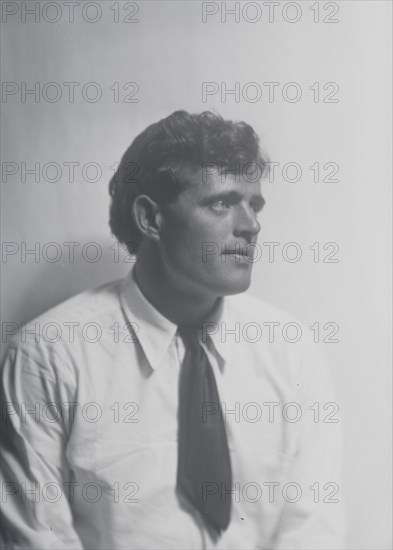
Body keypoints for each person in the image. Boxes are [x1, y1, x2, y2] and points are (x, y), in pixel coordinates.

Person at [1, 111, 347, 549]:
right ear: (150, 219)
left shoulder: (291, 350)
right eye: (221, 202)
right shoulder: (48, 356)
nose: (251, 225)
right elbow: (36, 538)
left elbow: (315, 530)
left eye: (254, 204)